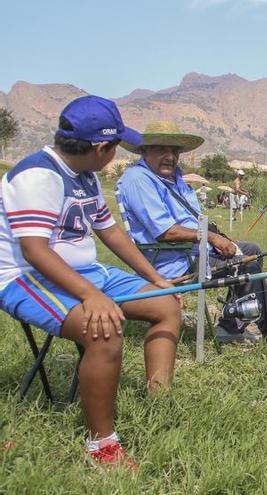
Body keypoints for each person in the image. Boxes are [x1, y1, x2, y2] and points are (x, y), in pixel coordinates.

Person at [0, 96, 181, 469]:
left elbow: (111, 232)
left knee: (167, 304)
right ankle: (102, 445)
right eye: (117, 145)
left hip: (85, 272)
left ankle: (159, 402)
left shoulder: (86, 175)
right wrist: (91, 296)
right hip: (25, 277)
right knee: (104, 329)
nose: (117, 152)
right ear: (101, 148)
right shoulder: (38, 176)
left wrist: (155, 277)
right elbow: (34, 251)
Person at [115, 121, 267, 349]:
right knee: (248, 267)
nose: (170, 156)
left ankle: (230, 324)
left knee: (252, 250)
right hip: (174, 260)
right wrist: (212, 238)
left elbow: (194, 219)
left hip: (195, 249)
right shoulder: (138, 178)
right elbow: (165, 232)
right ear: (144, 150)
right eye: (161, 149)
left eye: (175, 151)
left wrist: (219, 237)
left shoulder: (175, 177)